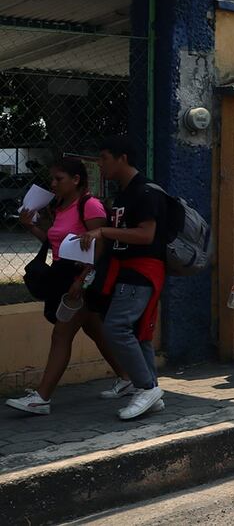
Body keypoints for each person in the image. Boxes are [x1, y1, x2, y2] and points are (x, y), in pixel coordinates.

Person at [5, 158, 127, 416]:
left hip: (80, 277)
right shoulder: (61, 207)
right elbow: (54, 243)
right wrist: (31, 227)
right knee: (95, 329)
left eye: (59, 179)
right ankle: (128, 378)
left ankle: (42, 397)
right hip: (63, 274)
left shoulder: (90, 206)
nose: (53, 184)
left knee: (61, 335)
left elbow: (100, 248)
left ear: (76, 180)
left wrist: (82, 280)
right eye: (52, 179)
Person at [78, 136, 169, 420]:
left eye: (105, 157)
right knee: (138, 332)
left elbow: (146, 235)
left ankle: (144, 387)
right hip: (126, 269)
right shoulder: (122, 194)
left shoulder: (145, 192)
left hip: (142, 270)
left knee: (116, 327)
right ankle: (150, 389)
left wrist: (103, 231)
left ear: (123, 158)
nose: (100, 164)